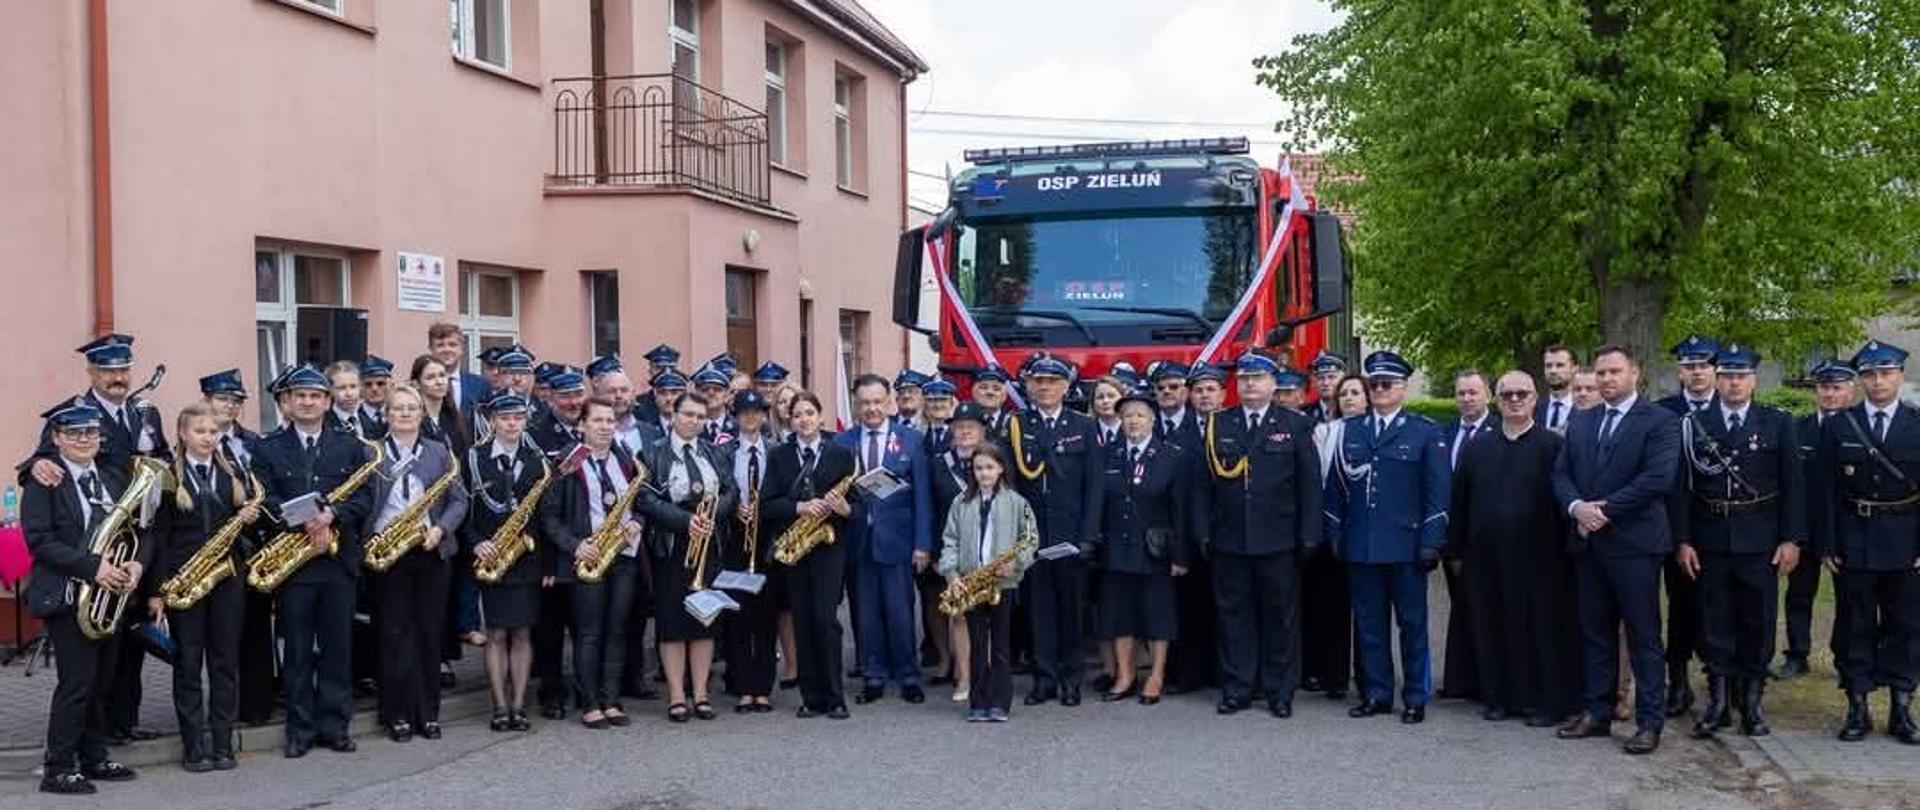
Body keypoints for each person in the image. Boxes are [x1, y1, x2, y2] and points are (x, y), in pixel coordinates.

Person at [20, 334, 169, 745]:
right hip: (91, 553)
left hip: (134, 539)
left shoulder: (145, 412)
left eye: (123, 369)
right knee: (90, 667)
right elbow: (44, 461)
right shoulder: (74, 414)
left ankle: (123, 723)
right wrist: (34, 467)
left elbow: (161, 458)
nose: (117, 377)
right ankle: (92, 741)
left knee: (128, 646)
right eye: (108, 370)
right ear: (91, 373)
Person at [1552, 345, 1681, 755]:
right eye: (1601, 372)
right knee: (1595, 632)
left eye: (1614, 371)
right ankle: (1597, 711)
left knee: (1643, 636)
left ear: (1634, 373)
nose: (1607, 379)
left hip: (1635, 546)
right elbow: (1561, 474)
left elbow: (1657, 478)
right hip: (1589, 545)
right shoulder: (1583, 420)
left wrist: (1604, 511)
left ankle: (1649, 722)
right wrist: (1577, 507)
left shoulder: (1660, 421)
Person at [1671, 344, 1803, 739]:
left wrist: (1791, 539)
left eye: (1741, 375)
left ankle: (1753, 703)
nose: (1734, 382)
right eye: (1727, 375)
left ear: (1753, 380)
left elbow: (1793, 486)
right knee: (1715, 622)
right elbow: (1682, 489)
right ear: (1716, 379)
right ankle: (1718, 702)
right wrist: (1683, 539)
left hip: (1760, 540)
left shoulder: (1778, 423)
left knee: (1757, 622)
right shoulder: (1694, 424)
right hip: (1710, 538)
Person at [251, 364, 377, 758]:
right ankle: (299, 732)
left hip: (338, 564)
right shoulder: (267, 448)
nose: (307, 402)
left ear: (327, 401)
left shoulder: (350, 445)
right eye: (300, 396)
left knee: (338, 650)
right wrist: (306, 520)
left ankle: (335, 727)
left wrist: (332, 515)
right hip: (294, 565)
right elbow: (265, 499)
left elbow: (364, 497)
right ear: (287, 402)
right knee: (298, 652)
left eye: (315, 396)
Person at [23, 400, 148, 795]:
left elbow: (140, 530)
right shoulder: (44, 480)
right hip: (68, 596)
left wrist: (137, 564)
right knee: (77, 684)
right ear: (56, 438)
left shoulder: (111, 477)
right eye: (73, 433)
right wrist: (93, 567)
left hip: (109, 597)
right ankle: (58, 767)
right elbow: (39, 541)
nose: (83, 439)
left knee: (102, 681)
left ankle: (94, 756)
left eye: (90, 432)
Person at [1448, 371, 1579, 726]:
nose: (1515, 400)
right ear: (1497, 400)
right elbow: (1460, 502)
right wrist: (1455, 550)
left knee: (1541, 630)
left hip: (1541, 558)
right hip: (1486, 558)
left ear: (1535, 398)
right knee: (1492, 626)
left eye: (1522, 393)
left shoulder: (1552, 446)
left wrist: (1569, 552)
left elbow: (1565, 501)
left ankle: (1544, 703)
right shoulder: (1477, 448)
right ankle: (1498, 698)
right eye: (1507, 395)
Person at [1196, 351, 1322, 718]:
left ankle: (1279, 691)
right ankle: (1238, 688)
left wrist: (1310, 533)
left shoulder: (1295, 424)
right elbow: (1203, 485)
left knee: (1280, 617)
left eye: (1257, 378)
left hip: (1279, 538)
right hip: (1230, 538)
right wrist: (1202, 530)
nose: (1250, 384)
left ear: (1272, 383)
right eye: (1244, 378)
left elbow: (1309, 484)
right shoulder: (1219, 423)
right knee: (1234, 617)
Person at [1326, 351, 1450, 724]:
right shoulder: (1350, 430)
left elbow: (1438, 493)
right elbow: (1335, 489)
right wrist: (1335, 531)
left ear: (1403, 387)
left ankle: (1414, 696)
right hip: (1362, 545)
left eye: (1387, 384)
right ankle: (1377, 693)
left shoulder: (1424, 431)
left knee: (1412, 625)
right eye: (1375, 384)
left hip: (1406, 547)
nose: (1380, 389)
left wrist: (1432, 540)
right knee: (1369, 627)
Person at [1815, 340, 1920, 745]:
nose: (1878, 381)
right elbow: (1825, 490)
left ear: (1900, 376)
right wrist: (1826, 543)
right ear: (1861, 380)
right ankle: (1857, 706)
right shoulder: (1840, 425)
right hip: (1853, 540)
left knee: (1906, 625)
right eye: (1870, 375)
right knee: (1854, 624)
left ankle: (1901, 708)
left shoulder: (1916, 424)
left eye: (1886, 373)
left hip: (1906, 541)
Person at [146, 403, 256, 773]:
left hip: (227, 579)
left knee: (225, 663)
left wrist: (247, 517)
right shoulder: (168, 477)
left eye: (213, 432)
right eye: (200, 431)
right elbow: (159, 537)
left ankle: (223, 744)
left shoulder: (233, 472)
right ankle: (194, 746)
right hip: (184, 580)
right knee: (188, 664)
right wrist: (158, 589)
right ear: (182, 434)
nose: (208, 438)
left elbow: (245, 522)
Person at [365, 384, 468, 743]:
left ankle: (428, 713)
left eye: (412, 408)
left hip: (430, 549)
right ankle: (396, 714)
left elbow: (459, 500)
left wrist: (441, 529)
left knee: (428, 633)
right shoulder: (372, 452)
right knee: (393, 634)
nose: (406, 414)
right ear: (386, 415)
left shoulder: (439, 451)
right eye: (398, 408)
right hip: (388, 551)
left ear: (422, 414)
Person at [540, 397, 643, 729]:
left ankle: (611, 699)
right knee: (589, 632)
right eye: (597, 421)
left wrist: (635, 522)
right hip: (588, 556)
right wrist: (576, 546)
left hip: (622, 555)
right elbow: (549, 516)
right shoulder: (567, 461)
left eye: (610, 421)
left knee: (617, 630)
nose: (605, 427)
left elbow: (638, 503)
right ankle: (590, 702)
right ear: (582, 425)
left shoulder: (624, 458)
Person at [1006, 356, 1103, 707]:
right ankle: (1044, 679)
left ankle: (1071, 680)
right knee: (1038, 612)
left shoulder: (1084, 425)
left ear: (1065, 387)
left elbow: (1095, 486)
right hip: (1033, 536)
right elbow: (1010, 485)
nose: (1045, 387)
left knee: (1072, 612)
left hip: (1070, 536)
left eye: (1052, 382)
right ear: (1029, 387)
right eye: (1038, 382)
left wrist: (1088, 536)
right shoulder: (1017, 425)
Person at [639, 391, 739, 723]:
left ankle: (701, 693)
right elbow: (645, 499)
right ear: (673, 415)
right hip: (672, 544)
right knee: (672, 622)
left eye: (700, 416)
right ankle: (677, 695)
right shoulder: (651, 452)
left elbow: (731, 491)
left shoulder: (714, 451)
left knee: (704, 619)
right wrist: (685, 521)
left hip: (709, 543)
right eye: (688, 414)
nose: (694, 421)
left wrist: (713, 515)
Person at [836, 374, 935, 704]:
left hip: (898, 540)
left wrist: (922, 544)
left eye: (877, 401)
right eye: (865, 403)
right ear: (856, 405)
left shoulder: (910, 440)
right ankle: (873, 674)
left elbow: (922, 497)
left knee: (900, 611)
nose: (872, 408)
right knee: (866, 614)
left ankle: (908, 675)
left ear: (889, 401)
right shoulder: (843, 442)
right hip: (859, 540)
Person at [1094, 387, 1191, 705]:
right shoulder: (1108, 455)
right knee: (1119, 614)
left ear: (1152, 420)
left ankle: (1156, 675)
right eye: (1127, 416)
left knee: (1156, 615)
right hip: (1117, 548)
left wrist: (1180, 556)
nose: (1133, 421)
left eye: (1139, 415)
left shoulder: (1171, 457)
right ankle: (1125, 675)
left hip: (1154, 550)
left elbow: (1180, 510)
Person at [764, 392, 857, 718]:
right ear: (790, 421)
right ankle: (811, 697)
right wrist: (800, 507)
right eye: (797, 415)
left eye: (809, 413)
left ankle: (835, 696)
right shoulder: (779, 456)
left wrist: (845, 509)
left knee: (825, 619)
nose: (804, 420)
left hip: (829, 547)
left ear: (820, 417)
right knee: (802, 620)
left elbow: (858, 504)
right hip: (795, 547)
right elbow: (768, 504)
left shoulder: (842, 455)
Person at [465, 390, 549, 732]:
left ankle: (519, 705)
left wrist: (547, 564)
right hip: (491, 554)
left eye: (518, 417)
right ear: (493, 421)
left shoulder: (537, 460)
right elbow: (464, 510)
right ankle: (499, 705)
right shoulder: (474, 457)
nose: (512, 424)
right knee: (497, 632)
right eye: (505, 418)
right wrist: (477, 543)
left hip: (526, 558)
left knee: (523, 632)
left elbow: (546, 516)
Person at [198, 369, 276, 726]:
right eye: (222, 399)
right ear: (207, 401)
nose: (230, 406)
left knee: (257, 627)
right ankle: (223, 709)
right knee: (222, 634)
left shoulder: (253, 442)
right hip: (216, 544)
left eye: (236, 401)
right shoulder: (198, 440)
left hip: (253, 543)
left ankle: (257, 706)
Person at [939, 444, 1038, 723]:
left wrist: (1015, 564)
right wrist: (952, 575)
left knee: (1001, 645)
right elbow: (950, 540)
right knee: (978, 645)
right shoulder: (961, 502)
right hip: (971, 584)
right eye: (978, 468)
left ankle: (1000, 702)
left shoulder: (1017, 502)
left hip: (1003, 583)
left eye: (989, 467)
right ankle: (978, 701)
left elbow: (1030, 540)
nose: (984, 473)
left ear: (1001, 468)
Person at [1778, 360, 1857, 680]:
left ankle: (1846, 658)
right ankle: (1797, 655)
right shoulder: (1798, 429)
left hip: (1847, 531)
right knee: (1798, 595)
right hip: (1805, 528)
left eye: (1837, 387)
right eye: (1824, 387)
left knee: (1850, 599)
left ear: (1851, 390)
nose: (1830, 394)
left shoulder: (1860, 428)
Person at [1655, 334, 1720, 719]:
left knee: (1717, 609)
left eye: (1703, 366)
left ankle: (1719, 685)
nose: (1696, 373)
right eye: (1689, 366)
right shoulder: (1663, 412)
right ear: (1680, 372)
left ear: (1715, 370)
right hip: (1674, 525)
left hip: (1721, 526)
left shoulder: (1731, 408)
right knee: (1680, 607)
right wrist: (1679, 536)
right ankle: (1677, 682)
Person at [1305, 373, 1367, 699]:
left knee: (1368, 611)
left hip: (1368, 531)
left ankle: (1369, 677)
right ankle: (1334, 675)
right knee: (1332, 606)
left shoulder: (1377, 431)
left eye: (1356, 392)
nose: (1349, 398)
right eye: (1344, 394)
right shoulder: (1324, 432)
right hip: (1332, 529)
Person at [720, 390, 779, 713]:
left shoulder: (776, 450)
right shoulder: (724, 452)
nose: (751, 417)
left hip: (767, 539)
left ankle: (763, 687)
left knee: (766, 617)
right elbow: (718, 492)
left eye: (756, 412)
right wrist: (734, 509)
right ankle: (744, 687)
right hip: (736, 538)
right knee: (739, 616)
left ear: (764, 415)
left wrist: (763, 510)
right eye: (744, 412)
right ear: (736, 417)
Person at [1439, 369, 1494, 701]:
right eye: (1461, 393)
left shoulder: (1498, 431)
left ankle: (1489, 682)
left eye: (1473, 392)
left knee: (1487, 608)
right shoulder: (1445, 433)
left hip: (1486, 537)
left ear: (1487, 394)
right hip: (1453, 536)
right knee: (1460, 606)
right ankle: (1461, 680)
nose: (1467, 399)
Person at [426, 322, 487, 425]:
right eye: (440, 345)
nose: (447, 350)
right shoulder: (420, 386)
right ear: (431, 349)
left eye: (452, 345)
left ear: (461, 349)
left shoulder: (480, 385)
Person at [1538, 346, 1579, 432]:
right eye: (1548, 366)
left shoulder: (1585, 408)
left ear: (1574, 368)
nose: (1553, 371)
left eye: (1560, 365)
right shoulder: (1533, 409)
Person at [1304, 352, 1348, 425]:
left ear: (1343, 379)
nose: (1326, 383)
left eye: (1331, 377)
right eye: (1320, 378)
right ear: (1314, 382)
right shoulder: (1305, 414)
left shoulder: (1352, 410)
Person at [971, 366, 1015, 436]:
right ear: (974, 392)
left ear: (1004, 394)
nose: (990, 392)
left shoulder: (1016, 421)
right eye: (984, 387)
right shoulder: (963, 421)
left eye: (996, 389)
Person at [358, 355, 395, 438]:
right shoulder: (352, 419)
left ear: (391, 386)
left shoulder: (400, 415)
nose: (374, 389)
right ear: (360, 388)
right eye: (368, 384)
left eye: (380, 384)